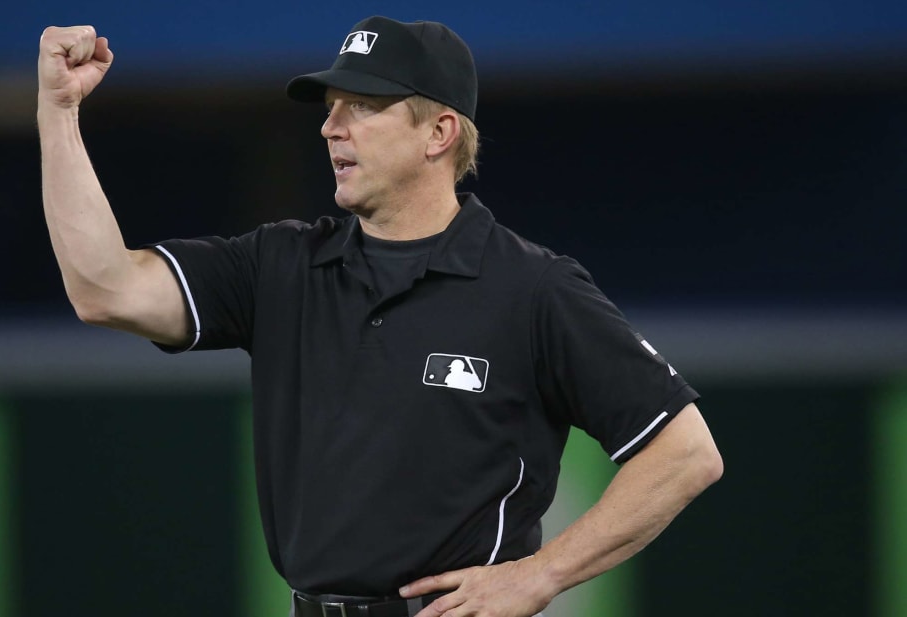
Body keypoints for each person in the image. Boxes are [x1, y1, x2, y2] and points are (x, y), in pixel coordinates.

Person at [37, 15, 723, 617]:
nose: (331, 126)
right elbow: (105, 289)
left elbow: (686, 452)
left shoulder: (532, 288)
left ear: (440, 133)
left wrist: (540, 575)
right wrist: (58, 110)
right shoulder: (282, 266)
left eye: (363, 106)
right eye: (331, 107)